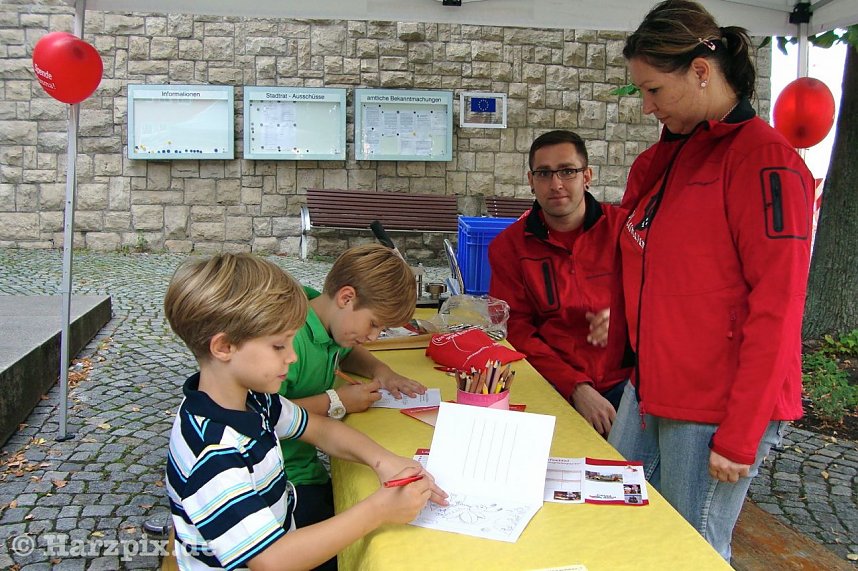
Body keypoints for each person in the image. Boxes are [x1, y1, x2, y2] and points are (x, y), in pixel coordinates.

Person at [606, 0, 814, 561]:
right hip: (651, 389)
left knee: (690, 550)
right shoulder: (663, 160)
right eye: (641, 92)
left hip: (714, 406)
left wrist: (741, 432)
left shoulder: (765, 162)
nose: (647, 107)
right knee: (621, 534)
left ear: (701, 71)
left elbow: (779, 303)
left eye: (654, 90)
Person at [163, 253, 446, 570]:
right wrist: (379, 510)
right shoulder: (213, 453)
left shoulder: (255, 401)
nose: (293, 357)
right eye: (280, 346)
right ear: (224, 347)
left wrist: (384, 461)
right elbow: (272, 560)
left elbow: (320, 429)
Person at [277, 243, 426, 570]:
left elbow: (345, 350)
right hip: (286, 478)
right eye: (373, 325)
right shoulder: (289, 337)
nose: (374, 337)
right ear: (347, 297)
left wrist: (381, 371)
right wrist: (336, 402)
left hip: (304, 467)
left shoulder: (325, 315)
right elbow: (268, 413)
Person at [488, 130, 631, 436]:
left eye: (567, 171)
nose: (556, 184)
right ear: (530, 180)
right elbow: (518, 331)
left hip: (630, 386)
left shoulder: (624, 231)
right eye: (544, 173)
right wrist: (575, 386)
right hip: (553, 386)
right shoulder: (509, 247)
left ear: (587, 175)